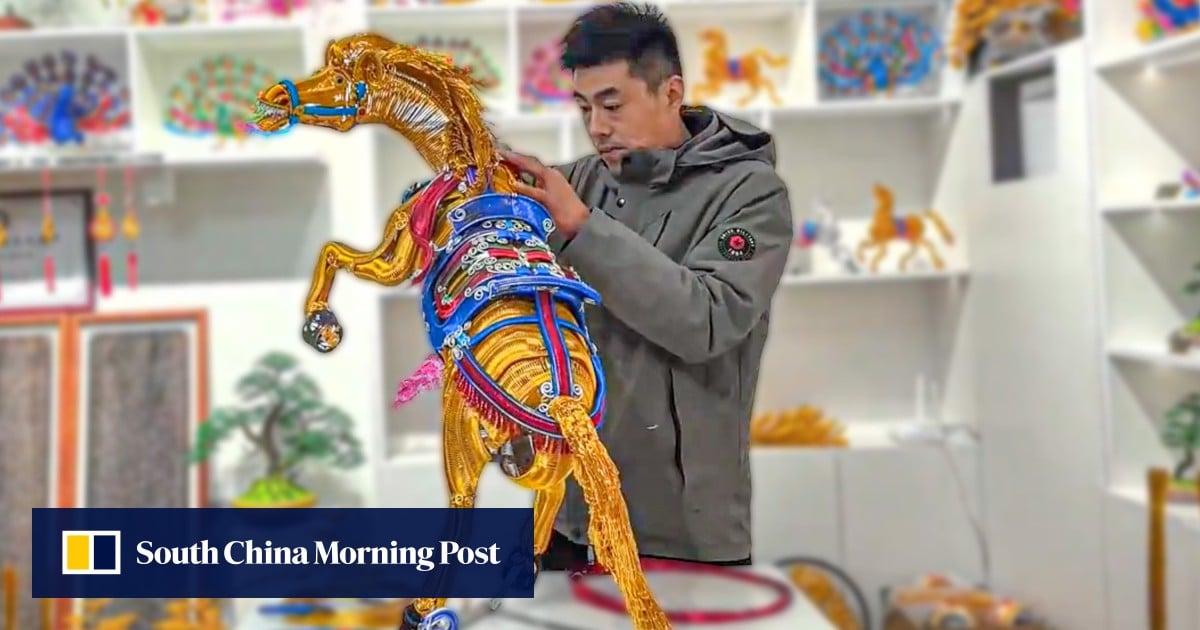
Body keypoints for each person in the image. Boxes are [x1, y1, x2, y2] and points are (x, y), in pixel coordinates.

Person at [501, 2, 794, 569]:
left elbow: (706, 322)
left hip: (679, 535)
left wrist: (582, 230)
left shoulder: (750, 194)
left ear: (670, 92)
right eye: (584, 107)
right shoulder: (577, 182)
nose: (596, 127)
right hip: (567, 518)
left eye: (612, 105)